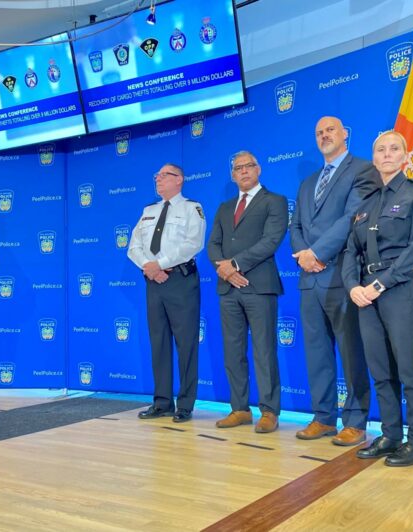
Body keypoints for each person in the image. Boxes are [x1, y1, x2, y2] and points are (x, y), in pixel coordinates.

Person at [342, 131, 413, 466]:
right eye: (380, 149)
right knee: (380, 370)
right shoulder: (364, 206)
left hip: (401, 290)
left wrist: (379, 284)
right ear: (374, 158)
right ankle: (391, 434)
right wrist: (353, 286)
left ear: (405, 156)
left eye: (394, 148)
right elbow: (351, 251)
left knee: (409, 370)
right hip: (365, 295)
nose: (386, 154)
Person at [290, 116, 375, 446]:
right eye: (319, 132)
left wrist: (319, 253)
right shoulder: (307, 182)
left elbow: (352, 218)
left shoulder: (363, 170)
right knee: (316, 353)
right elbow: (294, 226)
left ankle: (355, 419)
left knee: (352, 351)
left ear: (345, 134)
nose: (324, 135)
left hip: (342, 274)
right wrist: (304, 255)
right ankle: (323, 418)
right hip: (309, 279)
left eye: (330, 130)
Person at [207, 151, 289, 433]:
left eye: (249, 166)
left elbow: (271, 241)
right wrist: (227, 271)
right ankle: (239, 409)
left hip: (260, 286)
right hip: (228, 288)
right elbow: (213, 245)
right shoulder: (224, 207)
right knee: (233, 351)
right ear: (232, 175)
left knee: (264, 351)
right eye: (238, 168)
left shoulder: (275, 201)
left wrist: (236, 265)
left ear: (259, 169)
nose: (243, 171)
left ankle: (269, 411)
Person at [128, 163, 206, 423]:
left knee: (186, 345)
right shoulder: (148, 211)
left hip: (180, 281)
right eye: (156, 175)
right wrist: (149, 268)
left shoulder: (191, 208)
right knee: (158, 344)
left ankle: (185, 404)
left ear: (179, 180)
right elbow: (134, 246)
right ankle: (162, 402)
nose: (158, 179)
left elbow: (193, 243)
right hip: (153, 282)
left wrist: (159, 265)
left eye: (164, 175)